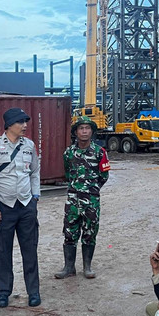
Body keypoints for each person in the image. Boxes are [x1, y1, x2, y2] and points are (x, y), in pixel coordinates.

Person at [0, 107, 41, 308]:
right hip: (3, 207)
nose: (25, 126)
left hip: (25, 206)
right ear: (9, 125)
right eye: (20, 122)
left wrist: (34, 197)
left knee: (30, 251)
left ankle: (33, 292)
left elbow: (34, 172)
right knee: (3, 252)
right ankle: (3, 292)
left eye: (25, 122)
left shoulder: (29, 146)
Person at [55, 116, 110, 279]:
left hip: (91, 201)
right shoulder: (69, 152)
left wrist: (91, 190)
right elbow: (67, 173)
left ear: (92, 131)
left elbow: (104, 175)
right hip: (72, 200)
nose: (84, 131)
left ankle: (87, 267)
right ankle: (69, 267)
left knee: (90, 232)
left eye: (87, 128)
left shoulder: (100, 152)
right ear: (76, 132)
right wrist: (77, 188)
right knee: (69, 233)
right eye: (81, 128)